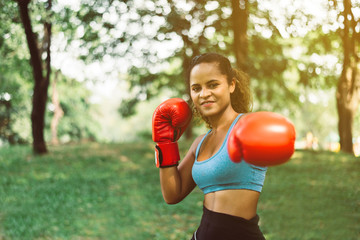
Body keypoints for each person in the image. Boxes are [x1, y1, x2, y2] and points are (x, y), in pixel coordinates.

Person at [152, 53, 295, 240]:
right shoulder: (201, 142)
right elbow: (172, 194)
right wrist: (165, 143)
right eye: (196, 88)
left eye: (213, 85)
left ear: (231, 85)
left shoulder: (247, 126)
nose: (204, 94)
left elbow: (282, 136)